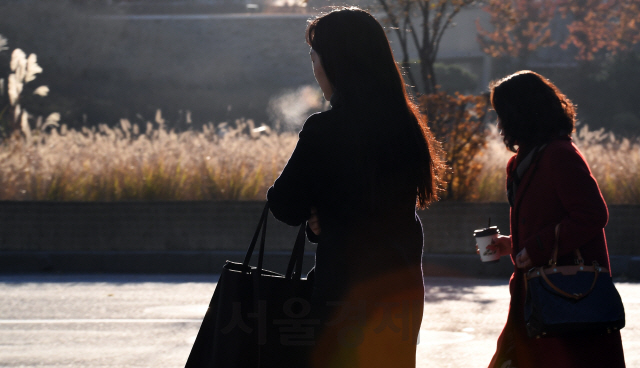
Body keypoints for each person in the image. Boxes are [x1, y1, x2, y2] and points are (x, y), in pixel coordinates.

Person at [266, 8, 444, 368]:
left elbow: (284, 203)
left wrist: (320, 214)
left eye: (314, 56)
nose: (313, 66)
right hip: (402, 289)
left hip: (345, 295)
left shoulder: (325, 129)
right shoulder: (407, 126)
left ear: (334, 62)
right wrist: (326, 216)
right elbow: (374, 205)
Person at [485, 70, 626, 368]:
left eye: (502, 114)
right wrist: (513, 245)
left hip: (568, 300)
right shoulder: (527, 160)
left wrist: (534, 249)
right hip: (541, 301)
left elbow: (592, 215)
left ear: (519, 114)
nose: (499, 124)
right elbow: (549, 219)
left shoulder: (559, 155)